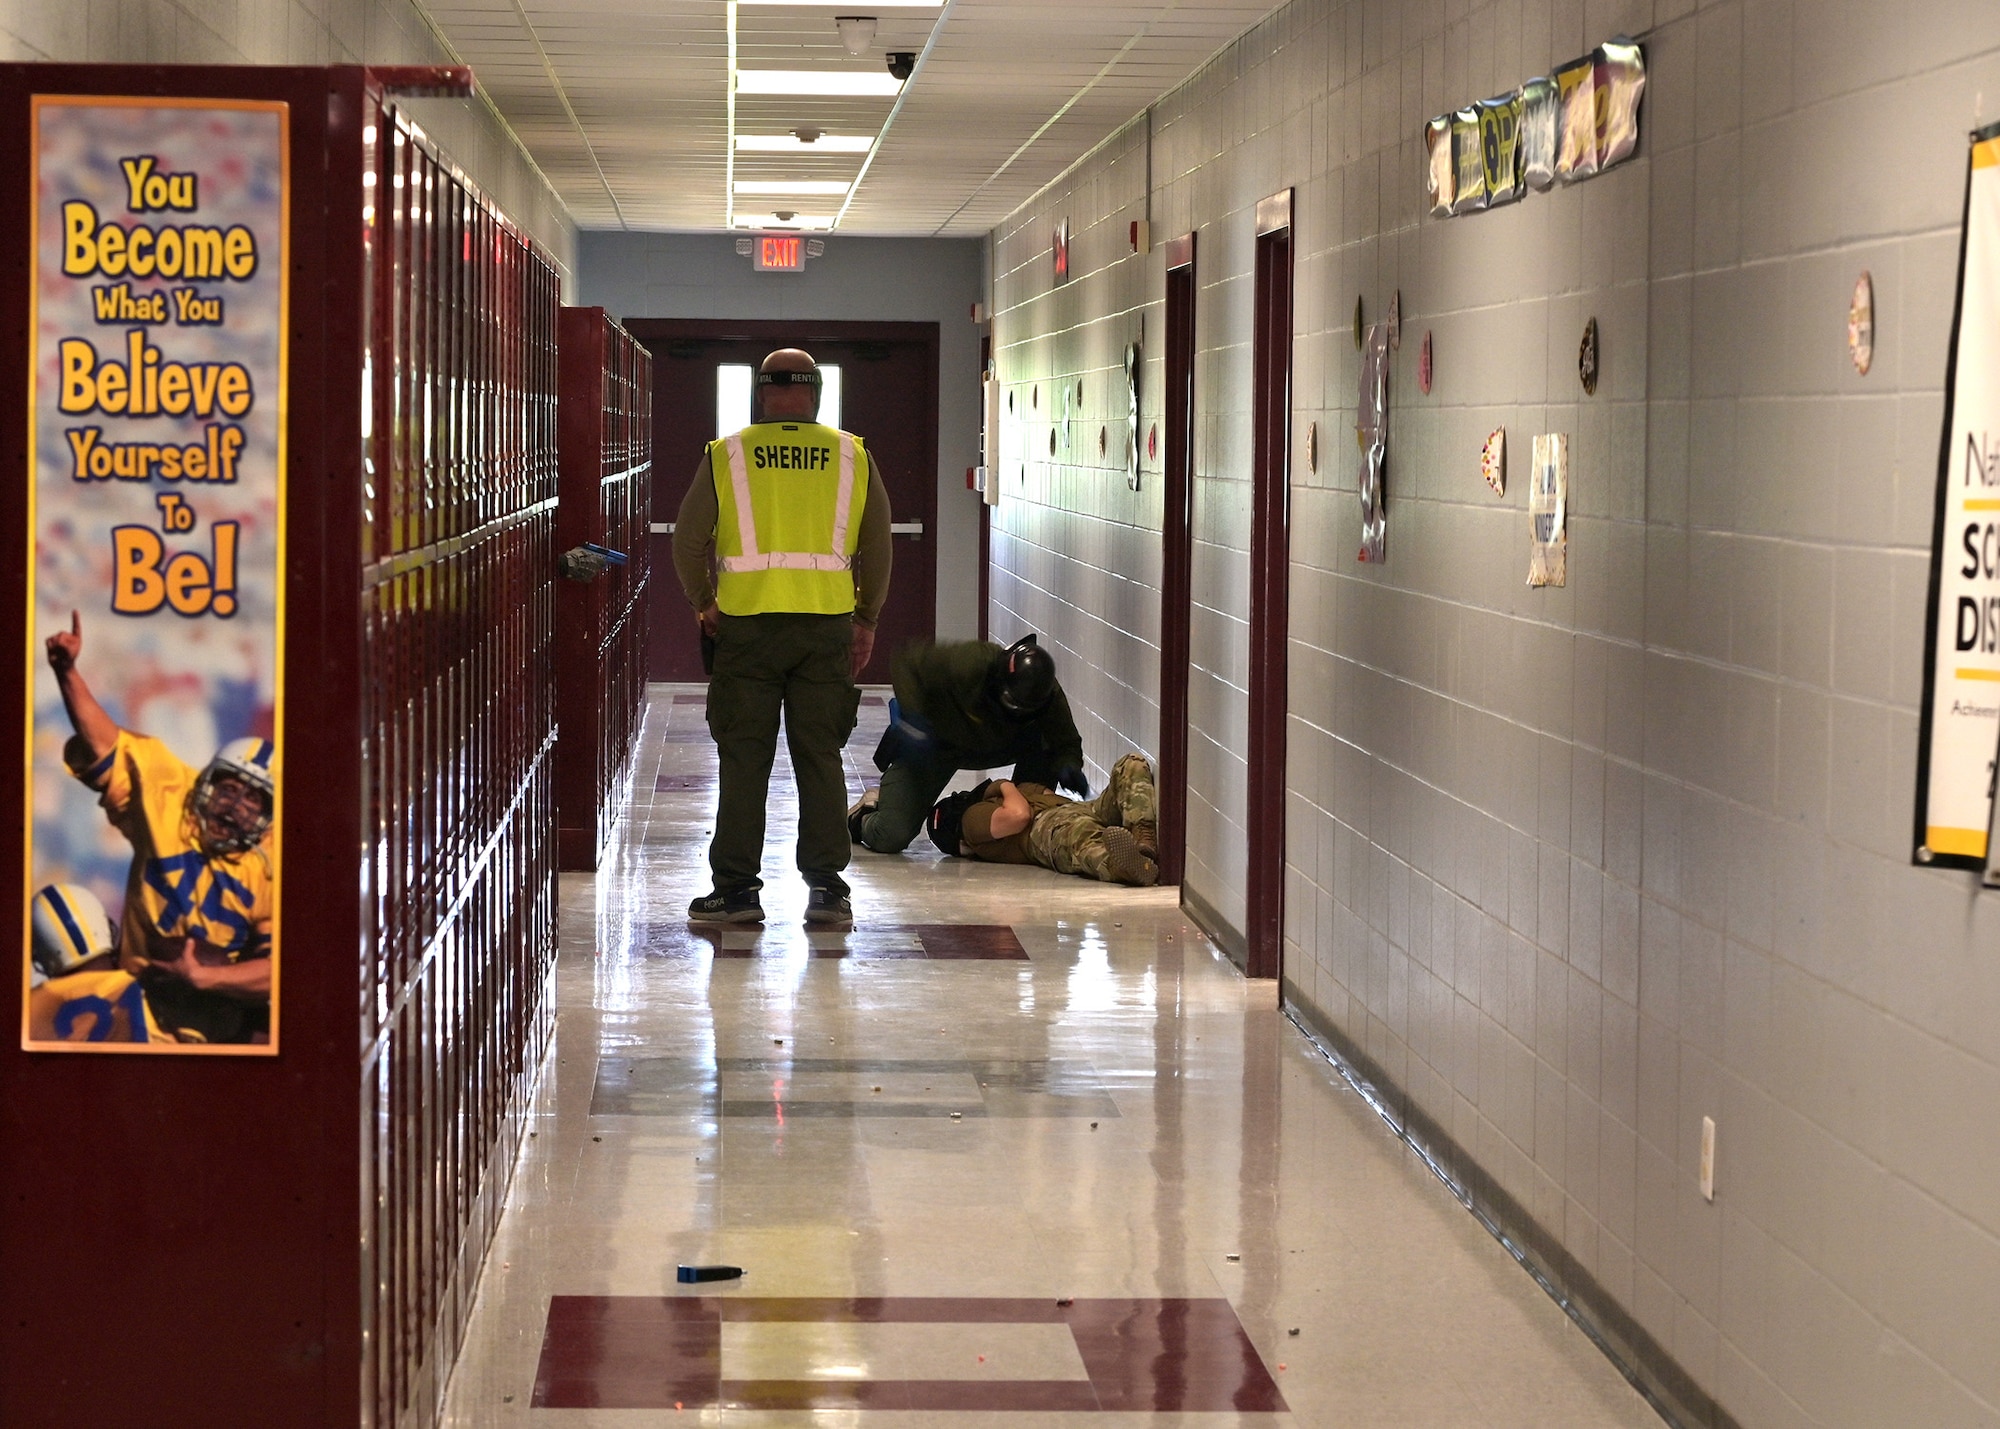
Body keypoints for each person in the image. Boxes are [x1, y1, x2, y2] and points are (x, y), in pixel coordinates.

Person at [673, 347, 892, 925]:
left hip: (746, 630)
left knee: (745, 759)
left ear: (761, 394)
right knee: (819, 756)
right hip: (825, 629)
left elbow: (687, 540)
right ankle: (827, 890)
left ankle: (738, 890)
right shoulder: (852, 454)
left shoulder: (729, 454)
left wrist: (705, 604)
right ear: (815, 393)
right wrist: (865, 618)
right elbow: (879, 545)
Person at [44, 611, 276, 1044]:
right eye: (228, 788)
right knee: (56, 909)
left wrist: (207, 978)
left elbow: (283, 974)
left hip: (218, 1026)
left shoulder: (274, 861)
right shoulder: (168, 792)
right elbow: (103, 743)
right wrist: (67, 672)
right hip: (135, 1002)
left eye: (253, 799)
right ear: (206, 781)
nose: (235, 806)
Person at [850, 633, 1087, 855]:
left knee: (1047, 747)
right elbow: (907, 662)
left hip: (996, 746)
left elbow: (1066, 741)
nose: (1014, 709)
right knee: (891, 835)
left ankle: (1015, 829)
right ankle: (863, 814)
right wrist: (915, 719)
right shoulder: (973, 662)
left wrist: (1069, 766)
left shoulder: (1045, 693)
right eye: (1010, 702)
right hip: (935, 745)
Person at [927, 753, 1161, 886]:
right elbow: (1019, 816)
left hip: (1082, 810)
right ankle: (1124, 867)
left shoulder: (1017, 792)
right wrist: (1003, 784)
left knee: (1130, 764)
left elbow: (1049, 796)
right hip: (1045, 831)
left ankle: (1143, 836)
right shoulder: (971, 821)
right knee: (1080, 841)